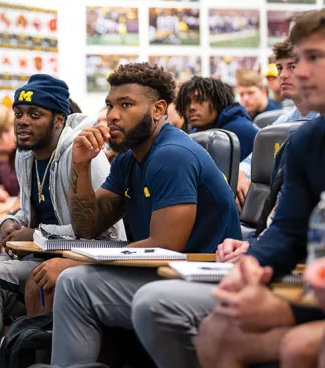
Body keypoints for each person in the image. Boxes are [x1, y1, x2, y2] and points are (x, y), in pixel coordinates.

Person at [130, 10, 325, 368]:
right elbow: (288, 231)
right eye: (296, 60)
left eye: (314, 58)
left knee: (301, 347)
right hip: (312, 289)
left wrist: (283, 309)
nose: (299, 72)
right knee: (217, 331)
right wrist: (251, 266)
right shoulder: (307, 141)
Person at [0, 74, 125, 368]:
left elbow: (105, 234)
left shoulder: (85, 155)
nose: (22, 121)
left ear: (58, 120)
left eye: (35, 114)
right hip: (34, 256)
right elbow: (27, 213)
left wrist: (35, 233)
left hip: (73, 260)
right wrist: (8, 222)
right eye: (18, 113)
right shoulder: (25, 154)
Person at [50, 62, 241, 366]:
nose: (112, 115)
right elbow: (87, 226)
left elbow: (165, 246)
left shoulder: (171, 155)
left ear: (158, 109)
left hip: (199, 281)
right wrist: (81, 166)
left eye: (126, 105)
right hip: (163, 275)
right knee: (72, 280)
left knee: (75, 284)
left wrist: (84, 259)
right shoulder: (129, 159)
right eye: (110, 105)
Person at [236, 40, 320, 211]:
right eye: (280, 68)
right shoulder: (284, 121)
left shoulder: (319, 120)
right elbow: (253, 160)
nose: (282, 75)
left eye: (292, 67)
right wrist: (241, 172)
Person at [175, 76, 259, 161]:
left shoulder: (242, 130)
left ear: (217, 102)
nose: (191, 107)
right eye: (186, 103)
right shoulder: (191, 135)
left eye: (199, 100)